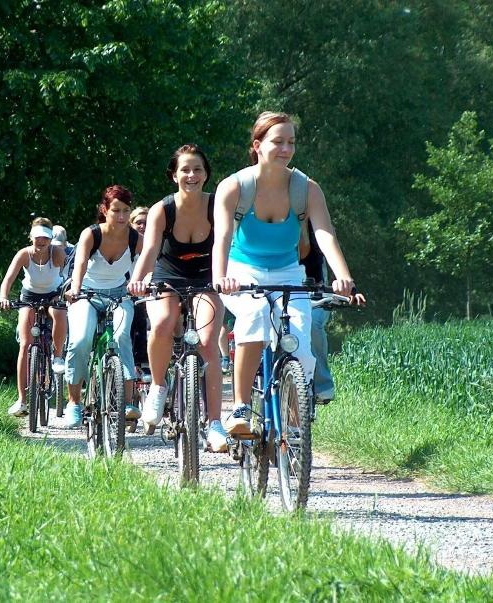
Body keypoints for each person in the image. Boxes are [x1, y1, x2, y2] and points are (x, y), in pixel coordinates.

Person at [212, 111, 357, 435]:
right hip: (241, 271)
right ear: (257, 145)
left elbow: (325, 234)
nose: (286, 149)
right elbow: (221, 236)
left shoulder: (306, 189)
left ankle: (293, 432)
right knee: (254, 316)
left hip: (288, 273)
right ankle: (240, 408)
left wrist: (342, 276)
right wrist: (220, 277)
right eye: (278, 142)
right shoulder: (234, 187)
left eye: (291, 142)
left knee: (302, 349)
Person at [128, 144, 227, 452]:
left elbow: (224, 242)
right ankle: (158, 386)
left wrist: (223, 278)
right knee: (162, 323)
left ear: (206, 174)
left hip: (207, 276)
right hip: (168, 274)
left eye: (198, 169)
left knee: (208, 342)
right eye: (185, 169)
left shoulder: (217, 205)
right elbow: (149, 250)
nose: (191, 175)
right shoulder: (163, 209)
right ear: (174, 175)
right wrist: (137, 280)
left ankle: (215, 423)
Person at [62, 185, 144, 428]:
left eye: (126, 210)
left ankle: (127, 403)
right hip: (86, 294)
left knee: (121, 337)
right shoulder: (92, 234)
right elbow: (80, 264)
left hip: (120, 294)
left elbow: (149, 264)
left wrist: (143, 283)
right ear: (104, 210)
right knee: (80, 340)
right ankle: (74, 403)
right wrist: (75, 289)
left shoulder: (135, 238)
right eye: (116, 210)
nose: (122, 216)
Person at [0, 217, 67, 416]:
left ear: (50, 238)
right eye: (37, 237)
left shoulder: (57, 253)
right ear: (31, 237)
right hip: (29, 296)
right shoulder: (24, 254)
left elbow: (69, 275)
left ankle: (57, 356)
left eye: (45, 238)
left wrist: (68, 292)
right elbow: (8, 278)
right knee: (25, 344)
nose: (41, 241)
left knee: (59, 313)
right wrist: (4, 297)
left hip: (53, 294)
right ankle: (21, 400)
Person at [300, 222, 366, 404]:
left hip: (312, 284)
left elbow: (329, 247)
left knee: (313, 322)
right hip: (270, 279)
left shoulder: (313, 225)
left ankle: (322, 386)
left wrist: (349, 288)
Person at [129, 207, 150, 372]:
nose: (143, 226)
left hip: (151, 292)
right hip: (127, 294)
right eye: (139, 222)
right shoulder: (124, 245)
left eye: (146, 223)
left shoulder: (156, 245)